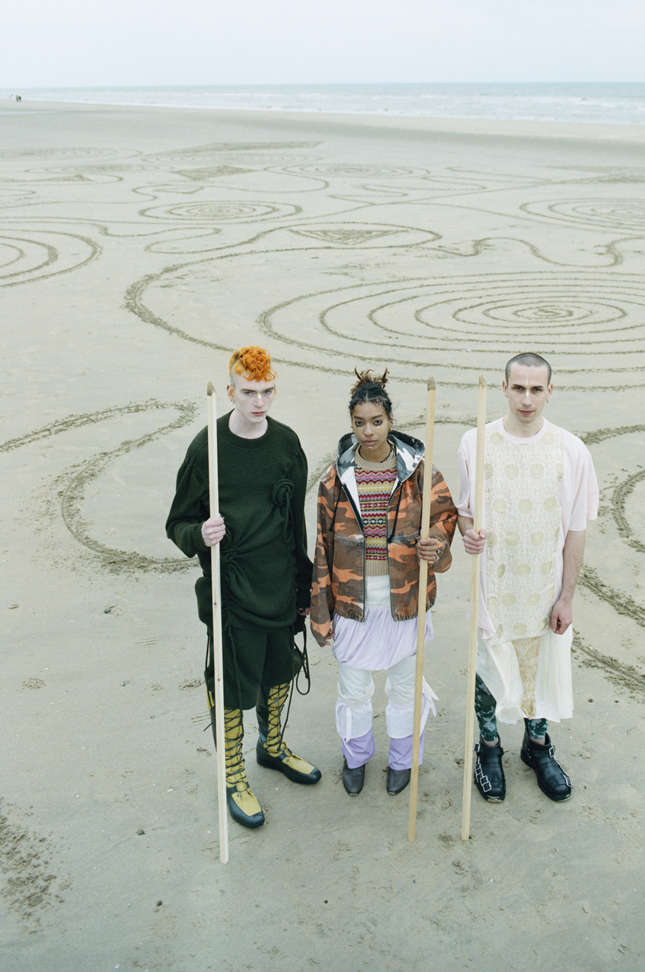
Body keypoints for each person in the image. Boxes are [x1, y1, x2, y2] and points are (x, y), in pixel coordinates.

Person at [165, 345, 321, 830]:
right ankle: (233, 773)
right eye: (249, 392)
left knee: (280, 666)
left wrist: (304, 580)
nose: (259, 403)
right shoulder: (205, 449)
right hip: (231, 590)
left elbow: (294, 523)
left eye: (267, 391)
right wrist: (200, 535)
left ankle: (271, 747)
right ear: (229, 391)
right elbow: (177, 523)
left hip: (279, 582)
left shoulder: (287, 443)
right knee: (233, 681)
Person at [458, 352, 598, 805]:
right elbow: (463, 512)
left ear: (550, 391)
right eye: (518, 387)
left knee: (540, 671)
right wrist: (468, 536)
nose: (526, 398)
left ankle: (538, 748)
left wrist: (567, 597)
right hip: (494, 585)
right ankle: (490, 748)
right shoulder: (474, 443)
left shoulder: (571, 450)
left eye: (536, 389)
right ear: (503, 388)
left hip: (543, 586)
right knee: (488, 669)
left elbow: (576, 528)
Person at [311, 370, 458, 796]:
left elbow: (445, 517)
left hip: (404, 603)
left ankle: (402, 759)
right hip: (352, 605)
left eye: (377, 421)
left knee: (403, 687)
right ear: (351, 424)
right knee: (354, 688)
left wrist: (437, 544)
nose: (368, 431)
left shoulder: (419, 472)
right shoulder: (334, 479)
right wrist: (320, 612)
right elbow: (321, 546)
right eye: (359, 422)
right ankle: (355, 756)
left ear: (391, 420)